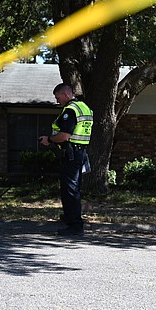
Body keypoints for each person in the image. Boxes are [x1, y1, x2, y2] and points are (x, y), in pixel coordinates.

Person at [39, 83, 93, 235]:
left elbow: (64, 136)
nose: (57, 101)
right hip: (80, 153)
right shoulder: (84, 107)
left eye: (58, 98)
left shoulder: (70, 110)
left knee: (69, 189)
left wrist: (49, 139)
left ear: (65, 95)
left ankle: (75, 226)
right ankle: (71, 217)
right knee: (74, 188)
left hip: (71, 154)